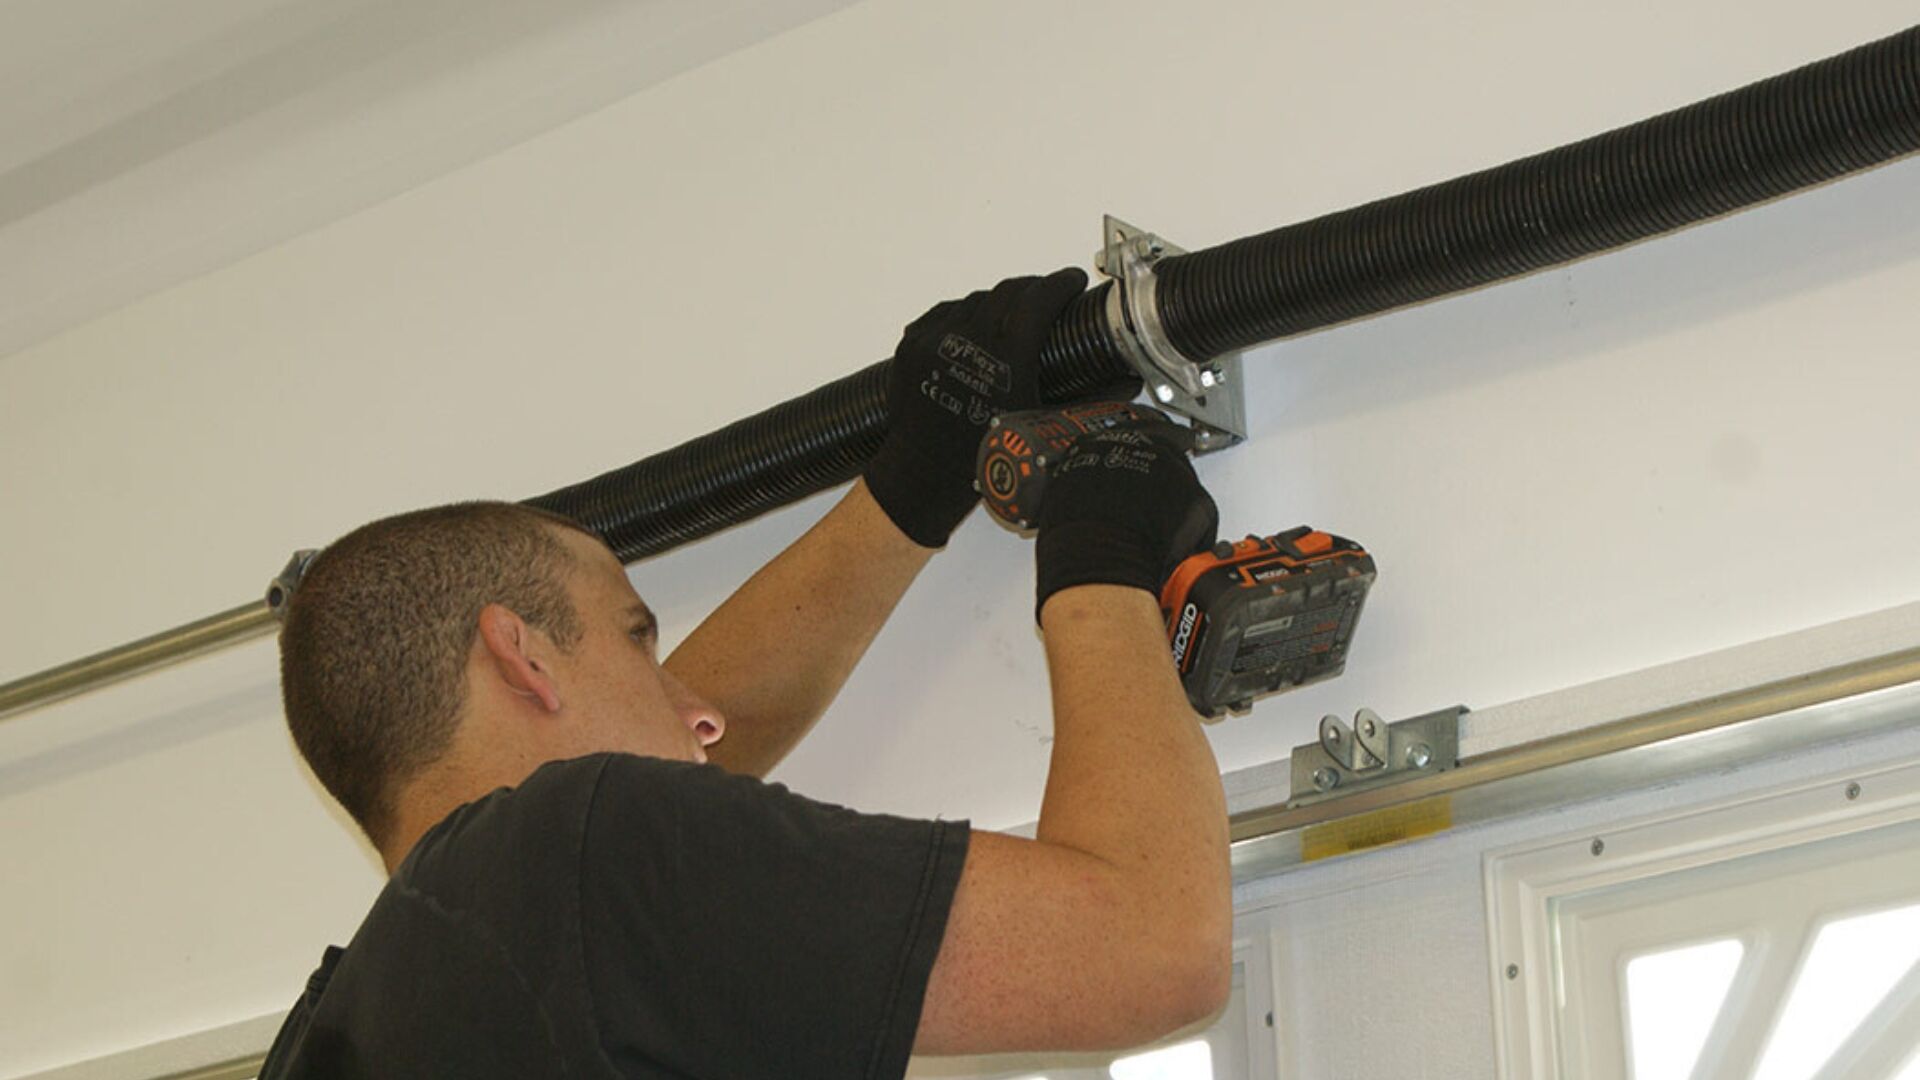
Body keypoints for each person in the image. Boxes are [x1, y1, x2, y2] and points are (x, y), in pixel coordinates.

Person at [261, 268, 1232, 1078]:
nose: (701, 714)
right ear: (524, 657)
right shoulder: (578, 863)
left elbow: (683, 753)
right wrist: (1101, 551)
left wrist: (918, 479)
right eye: (636, 640)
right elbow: (1155, 948)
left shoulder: (339, 1031)